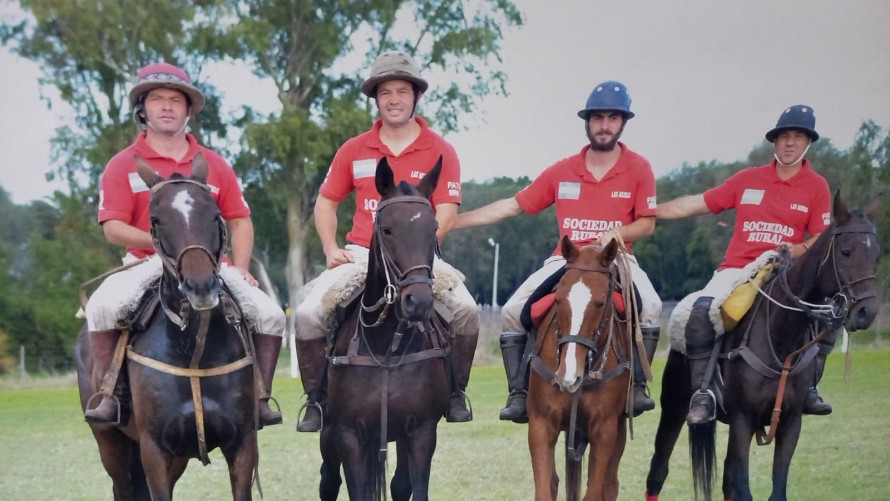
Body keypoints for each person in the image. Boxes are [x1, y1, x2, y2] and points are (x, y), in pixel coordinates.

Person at [83, 63, 287, 427]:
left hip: (210, 265)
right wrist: (164, 244)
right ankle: (109, 395)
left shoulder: (213, 163)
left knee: (270, 314)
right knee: (101, 306)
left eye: (175, 100)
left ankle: (259, 398)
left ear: (188, 109)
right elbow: (112, 227)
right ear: (142, 108)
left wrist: (240, 266)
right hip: (143, 264)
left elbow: (239, 219)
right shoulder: (122, 164)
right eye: (157, 99)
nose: (166, 106)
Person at [454, 81, 662, 422]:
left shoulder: (639, 168)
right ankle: (519, 394)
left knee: (651, 305)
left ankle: (636, 387)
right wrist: (456, 221)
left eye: (612, 117)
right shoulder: (563, 170)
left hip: (616, 259)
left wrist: (616, 233)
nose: (604, 125)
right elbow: (513, 205)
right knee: (511, 310)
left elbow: (647, 223)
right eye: (598, 117)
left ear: (623, 122)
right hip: (565, 260)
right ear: (587, 122)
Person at [294, 51, 479, 432]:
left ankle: (456, 392)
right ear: (376, 99)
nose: (394, 99)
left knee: (466, 311)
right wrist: (331, 248)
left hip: (420, 260)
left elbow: (446, 211)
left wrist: (418, 251)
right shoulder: (354, 149)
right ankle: (316, 401)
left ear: (416, 97)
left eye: (402, 91)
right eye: (386, 92)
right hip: (362, 256)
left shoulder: (441, 150)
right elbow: (326, 202)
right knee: (308, 315)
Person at [657, 104, 833, 424]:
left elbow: (822, 237)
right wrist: (649, 210)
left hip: (784, 271)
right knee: (700, 312)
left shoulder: (816, 186)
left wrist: (798, 249)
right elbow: (698, 203)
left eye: (798, 136)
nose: (790, 143)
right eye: (784, 136)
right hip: (737, 270)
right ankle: (703, 392)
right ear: (775, 141)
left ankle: (809, 387)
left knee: (826, 313)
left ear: (808, 142)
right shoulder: (748, 179)